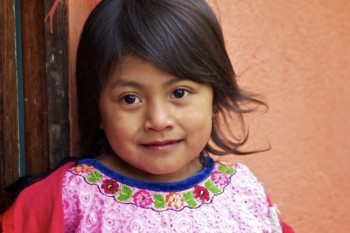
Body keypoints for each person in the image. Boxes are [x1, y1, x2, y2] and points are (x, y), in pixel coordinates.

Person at [0, 0, 294, 232]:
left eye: (179, 93)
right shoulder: (67, 199)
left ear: (216, 96)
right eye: (130, 99)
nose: (158, 119)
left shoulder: (243, 193)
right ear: (98, 109)